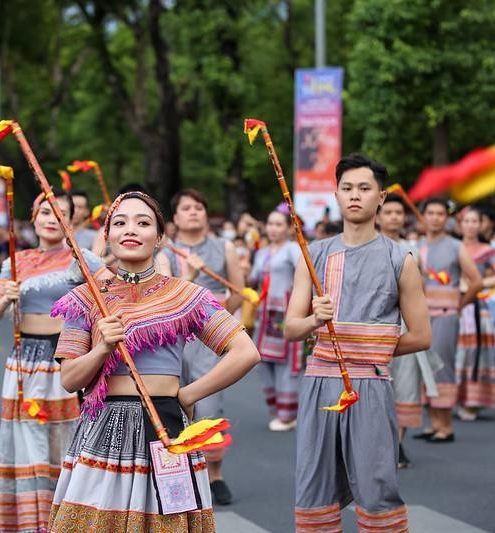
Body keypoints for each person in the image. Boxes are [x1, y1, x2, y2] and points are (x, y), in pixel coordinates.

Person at [48, 191, 260, 532]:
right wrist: (101, 349)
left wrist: (188, 395)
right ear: (108, 235)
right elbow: (70, 379)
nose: (131, 229)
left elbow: (245, 352)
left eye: (143, 222)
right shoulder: (84, 298)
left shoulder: (185, 295)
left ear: (159, 237)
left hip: (167, 427)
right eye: (120, 222)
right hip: (105, 430)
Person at [285, 154, 431, 532]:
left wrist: (368, 346)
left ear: (381, 197)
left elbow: (421, 334)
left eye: (365, 188)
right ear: (336, 193)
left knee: (376, 485)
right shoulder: (313, 253)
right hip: (319, 382)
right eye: (347, 188)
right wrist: (315, 320)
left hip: (371, 383)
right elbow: (290, 328)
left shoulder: (400, 258)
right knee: (314, 486)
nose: (355, 196)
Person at [0, 192, 109, 533]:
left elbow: (110, 299)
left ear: (71, 220)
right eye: (44, 212)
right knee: (26, 441)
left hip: (65, 358)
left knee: (64, 438)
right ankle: (32, 522)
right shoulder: (15, 261)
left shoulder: (83, 260)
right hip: (24, 360)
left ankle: (67, 521)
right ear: (33, 218)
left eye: (60, 213)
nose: (51, 218)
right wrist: (6, 297)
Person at [157, 188, 244, 505]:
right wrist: (189, 276)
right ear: (175, 217)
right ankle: (178, 474)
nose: (193, 212)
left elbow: (238, 291)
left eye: (199, 207)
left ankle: (215, 474)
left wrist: (219, 321)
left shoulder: (224, 247)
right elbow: (165, 296)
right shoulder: (166, 252)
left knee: (208, 406)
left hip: (210, 335)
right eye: (186, 208)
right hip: (175, 337)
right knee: (172, 403)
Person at [378, 193, 439, 468]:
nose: (393, 217)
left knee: (406, 387)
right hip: (375, 325)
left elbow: (420, 291)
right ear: (378, 216)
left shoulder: (412, 250)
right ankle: (379, 443)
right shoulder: (369, 247)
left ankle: (397, 443)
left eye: (398, 213)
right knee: (377, 386)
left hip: (405, 326)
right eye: (388, 212)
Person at [416, 198, 482, 442]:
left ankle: (446, 426)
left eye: (440, 213)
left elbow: (475, 280)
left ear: (447, 218)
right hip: (422, 316)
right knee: (426, 368)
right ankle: (434, 423)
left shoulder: (456, 246)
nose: (435, 217)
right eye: (430, 213)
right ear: (423, 217)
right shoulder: (418, 245)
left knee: (442, 367)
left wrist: (459, 304)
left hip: (446, 315)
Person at [248, 206, 303, 432]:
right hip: (265, 314)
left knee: (286, 363)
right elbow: (253, 279)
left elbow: (305, 277)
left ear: (289, 228)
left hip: (286, 311)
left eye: (278, 224)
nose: (273, 228)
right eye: (270, 224)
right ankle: (277, 409)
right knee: (262, 361)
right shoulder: (261, 252)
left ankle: (288, 414)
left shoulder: (293, 249)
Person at [455, 207, 495, 420]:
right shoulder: (452, 247)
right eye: (466, 221)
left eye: (474, 221)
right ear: (460, 224)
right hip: (452, 306)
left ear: (481, 224)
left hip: (476, 309)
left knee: (474, 355)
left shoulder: (487, 251)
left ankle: (473, 402)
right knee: (451, 354)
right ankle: (450, 399)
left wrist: (477, 284)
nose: (470, 225)